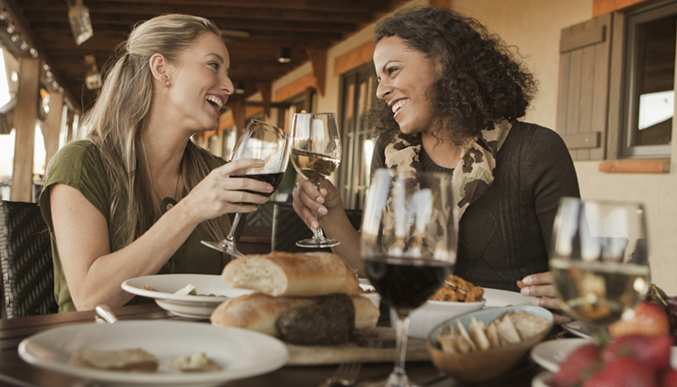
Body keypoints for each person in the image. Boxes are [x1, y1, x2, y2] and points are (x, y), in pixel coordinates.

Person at [292, 7, 580, 318]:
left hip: (509, 338)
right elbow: (372, 266)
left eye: (392, 70)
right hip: (411, 331)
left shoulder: (536, 150)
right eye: (378, 77)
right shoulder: (392, 153)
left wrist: (574, 289)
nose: (380, 90)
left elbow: (579, 278)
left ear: (443, 62)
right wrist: (330, 210)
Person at [40, 14, 274, 312]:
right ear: (162, 70)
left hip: (198, 352)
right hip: (98, 348)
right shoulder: (82, 163)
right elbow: (90, 298)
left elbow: (222, 291)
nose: (228, 85)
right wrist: (190, 209)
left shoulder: (214, 172)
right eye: (213, 66)